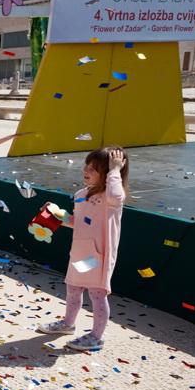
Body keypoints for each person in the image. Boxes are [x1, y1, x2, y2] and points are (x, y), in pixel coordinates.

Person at [36, 147, 128, 352]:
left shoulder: (112, 198)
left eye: (93, 169)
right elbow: (77, 221)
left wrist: (115, 170)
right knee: (73, 289)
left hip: (99, 256)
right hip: (81, 252)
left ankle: (97, 336)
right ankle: (68, 324)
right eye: (86, 166)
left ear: (109, 173)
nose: (86, 170)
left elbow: (115, 194)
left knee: (97, 294)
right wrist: (55, 214)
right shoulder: (81, 194)